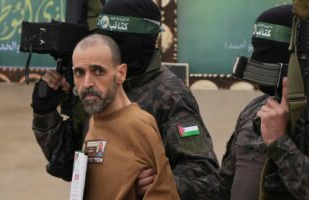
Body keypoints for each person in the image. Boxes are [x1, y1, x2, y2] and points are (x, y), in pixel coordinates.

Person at [31, 0, 220, 199]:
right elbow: (70, 163)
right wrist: (45, 113)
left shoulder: (170, 96)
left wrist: (156, 183)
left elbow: (207, 181)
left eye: (116, 43)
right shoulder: (100, 84)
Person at [220, 4, 309, 200]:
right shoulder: (253, 109)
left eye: (267, 52)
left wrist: (279, 143)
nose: (257, 60)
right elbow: (223, 185)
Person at [71, 33, 179, 199]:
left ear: (121, 73)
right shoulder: (95, 120)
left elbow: (164, 194)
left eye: (98, 71)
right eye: (79, 73)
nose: (87, 83)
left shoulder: (137, 124)